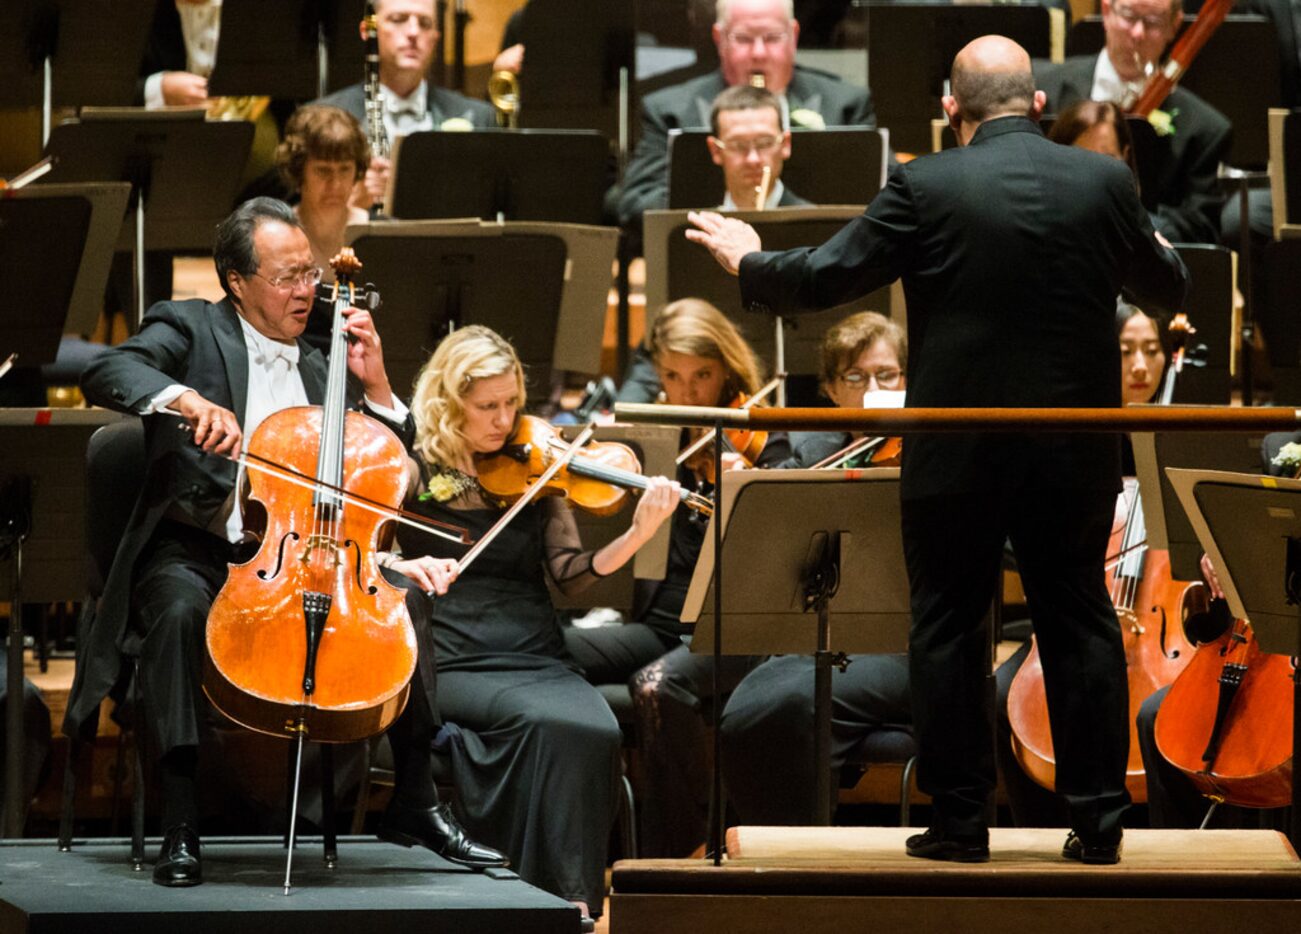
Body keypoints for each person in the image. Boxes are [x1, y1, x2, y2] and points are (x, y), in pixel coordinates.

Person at [686, 34, 1189, 864]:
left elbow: (821, 278)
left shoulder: (922, 183)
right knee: (1079, 619)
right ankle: (1099, 825)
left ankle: (958, 824)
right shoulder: (1102, 179)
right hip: (1071, 450)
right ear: (1035, 105)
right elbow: (1165, 286)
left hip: (954, 452)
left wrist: (749, 258)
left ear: (950, 110)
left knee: (948, 625)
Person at [68, 197, 505, 887]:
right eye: (287, 277)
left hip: (305, 559)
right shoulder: (187, 325)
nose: (307, 291)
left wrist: (379, 384)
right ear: (237, 281)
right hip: (199, 550)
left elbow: (389, 475)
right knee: (179, 613)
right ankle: (180, 821)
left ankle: (415, 800)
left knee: (405, 605)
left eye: (310, 274)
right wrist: (185, 400)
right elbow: (107, 372)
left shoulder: (326, 351)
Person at [391, 324, 680, 925]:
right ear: (449, 403)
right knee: (546, 723)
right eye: (487, 407)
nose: (504, 420)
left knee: (595, 727)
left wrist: (637, 534)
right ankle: (542, 900)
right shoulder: (409, 470)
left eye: (512, 404)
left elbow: (570, 574)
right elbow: (362, 551)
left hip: (533, 651)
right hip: (452, 653)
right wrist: (403, 565)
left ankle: (562, 900)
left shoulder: (536, 470)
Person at [606, 299, 792, 858]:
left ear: (728, 371)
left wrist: (748, 486)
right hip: (659, 620)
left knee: (656, 685)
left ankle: (684, 849)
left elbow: (781, 549)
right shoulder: (656, 438)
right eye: (672, 377)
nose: (686, 394)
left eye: (702, 377)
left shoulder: (765, 437)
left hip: (730, 626)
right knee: (551, 648)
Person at [719, 311, 913, 825]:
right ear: (829, 389)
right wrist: (740, 488)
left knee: (791, 703)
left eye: (887, 376)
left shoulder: (934, 451)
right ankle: (770, 855)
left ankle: (803, 857)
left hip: (907, 642)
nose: (872, 390)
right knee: (753, 703)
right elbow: (758, 523)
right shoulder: (814, 452)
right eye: (855, 377)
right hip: (822, 637)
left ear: (908, 381)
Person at [994, 301, 1170, 829]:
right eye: (1125, 351)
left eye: (1152, 351)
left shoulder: (1184, 434)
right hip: (1070, 607)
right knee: (1003, 692)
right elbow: (1012, 536)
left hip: (1162, 625)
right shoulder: (1064, 437)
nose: (1140, 366)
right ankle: (1038, 832)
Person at [617, 0, 875, 233]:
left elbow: (885, 196)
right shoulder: (669, 109)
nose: (759, 53)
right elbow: (637, 202)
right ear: (719, 38)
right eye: (744, 39)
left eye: (772, 37)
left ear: (793, 35)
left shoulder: (846, 104)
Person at [1031, 0, 1231, 245]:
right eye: (1128, 15)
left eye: (1153, 22)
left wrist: (1131, 228)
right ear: (1106, 11)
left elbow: (1200, 224)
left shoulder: (1204, 129)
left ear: (1174, 26)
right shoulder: (1041, 87)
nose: (1137, 33)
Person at [317, 0, 495, 211]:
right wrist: (350, 205)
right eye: (398, 19)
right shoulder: (320, 117)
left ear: (436, 37)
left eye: (425, 23)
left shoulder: (479, 116)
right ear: (368, 31)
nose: (413, 32)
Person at [275, 104, 372, 354]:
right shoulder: (275, 237)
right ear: (299, 171)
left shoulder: (377, 236)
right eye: (323, 171)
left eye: (345, 170)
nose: (336, 184)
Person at [709, 85, 810, 211]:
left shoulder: (820, 226)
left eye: (764, 143)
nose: (753, 159)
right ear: (715, 150)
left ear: (785, 144)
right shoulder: (691, 227)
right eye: (738, 146)